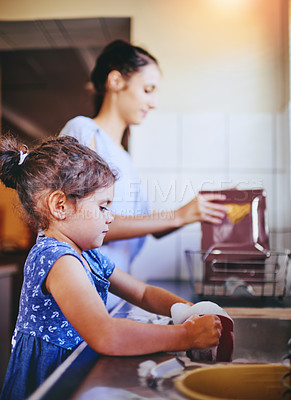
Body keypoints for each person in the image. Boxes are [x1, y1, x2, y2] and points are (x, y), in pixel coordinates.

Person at [0, 135, 222, 400]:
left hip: (73, 373)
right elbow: (106, 335)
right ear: (60, 206)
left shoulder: (88, 255)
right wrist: (187, 336)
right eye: (103, 206)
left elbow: (142, 293)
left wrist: (189, 311)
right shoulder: (58, 260)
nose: (111, 217)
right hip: (49, 383)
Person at [59, 40, 226, 310]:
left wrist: (196, 210)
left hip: (110, 300)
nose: (154, 102)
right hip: (78, 303)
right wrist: (179, 215)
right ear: (115, 81)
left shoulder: (124, 158)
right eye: (148, 90)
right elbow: (85, 220)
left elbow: (148, 226)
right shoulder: (84, 131)